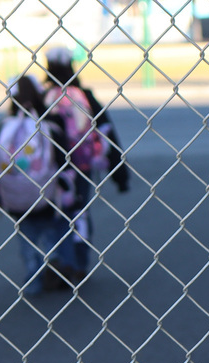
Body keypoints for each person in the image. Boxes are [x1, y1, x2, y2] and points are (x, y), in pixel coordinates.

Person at [43, 46, 129, 283]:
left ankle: (62, 259)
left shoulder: (44, 98)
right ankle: (79, 262)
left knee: (56, 214)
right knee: (80, 212)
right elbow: (107, 133)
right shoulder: (85, 97)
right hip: (82, 166)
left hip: (50, 169)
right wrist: (120, 174)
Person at [0, 74, 76, 297]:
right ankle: (53, 266)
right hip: (46, 192)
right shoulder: (50, 122)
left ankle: (33, 277)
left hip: (16, 197)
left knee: (27, 237)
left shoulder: (3, 127)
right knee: (49, 232)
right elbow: (64, 159)